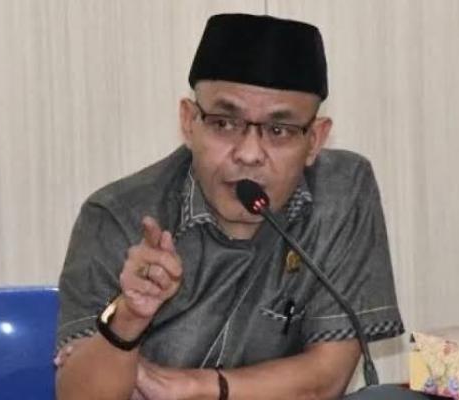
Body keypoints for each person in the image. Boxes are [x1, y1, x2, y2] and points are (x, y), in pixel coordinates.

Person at [55, 13, 404, 400]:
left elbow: (325, 378)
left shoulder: (341, 192)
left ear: (315, 141)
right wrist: (128, 318)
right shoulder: (117, 216)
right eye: (224, 123)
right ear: (189, 122)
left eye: (279, 130)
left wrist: (191, 387)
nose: (249, 154)